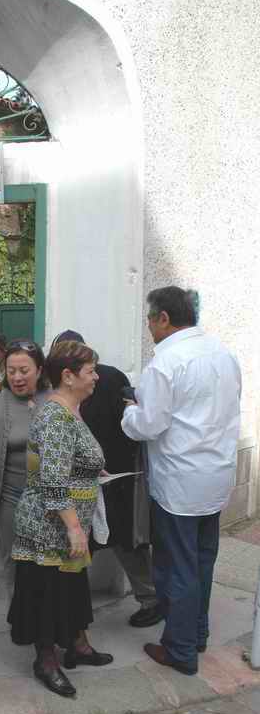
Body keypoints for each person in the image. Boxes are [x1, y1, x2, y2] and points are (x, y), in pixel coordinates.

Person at [122, 286, 241, 676]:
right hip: (216, 475)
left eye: (149, 320)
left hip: (179, 483)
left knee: (177, 569)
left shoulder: (165, 363)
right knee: (203, 561)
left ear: (164, 319)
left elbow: (150, 425)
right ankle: (198, 633)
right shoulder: (223, 354)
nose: (149, 328)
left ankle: (180, 650)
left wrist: (129, 412)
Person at [10, 340, 113, 698]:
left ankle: (78, 646)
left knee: (70, 589)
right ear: (68, 377)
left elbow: (68, 465)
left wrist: (92, 472)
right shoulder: (56, 416)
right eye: (90, 371)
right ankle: (46, 662)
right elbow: (53, 482)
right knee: (46, 593)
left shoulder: (70, 410)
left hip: (68, 525)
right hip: (48, 529)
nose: (96, 377)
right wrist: (73, 527)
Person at [52, 330, 161, 628]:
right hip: (87, 480)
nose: (92, 378)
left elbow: (131, 423)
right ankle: (72, 611)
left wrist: (115, 467)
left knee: (125, 540)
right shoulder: (56, 393)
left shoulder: (109, 377)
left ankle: (150, 599)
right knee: (84, 543)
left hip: (112, 476)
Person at [0, 339, 47, 595]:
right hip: (11, 500)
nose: (16, 377)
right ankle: (20, 621)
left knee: (47, 565)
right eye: (11, 371)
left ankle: (47, 622)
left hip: (51, 502)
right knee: (15, 563)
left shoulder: (55, 401)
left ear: (39, 370)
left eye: (24, 371)